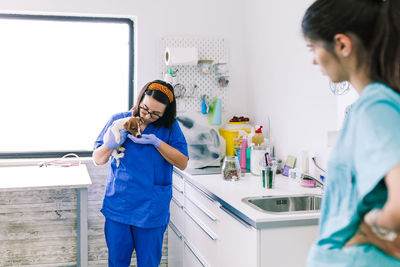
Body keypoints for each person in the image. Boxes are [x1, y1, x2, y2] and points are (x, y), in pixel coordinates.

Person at [301, 0, 400, 266]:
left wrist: (373, 225)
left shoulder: (375, 105)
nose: (313, 60)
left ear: (342, 45)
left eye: (314, 48)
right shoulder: (376, 104)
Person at [92, 80, 188, 267]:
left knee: (149, 263)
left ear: (165, 113)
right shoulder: (119, 121)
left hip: (151, 208)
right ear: (139, 100)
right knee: (117, 262)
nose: (147, 116)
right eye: (144, 109)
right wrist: (109, 144)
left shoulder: (169, 128)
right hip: (119, 205)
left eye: (155, 114)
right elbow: (97, 159)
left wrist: (157, 143)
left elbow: (182, 162)